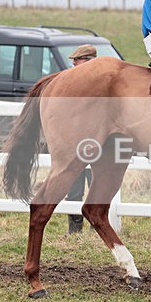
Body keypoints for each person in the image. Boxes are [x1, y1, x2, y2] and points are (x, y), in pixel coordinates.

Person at [65, 44, 96, 234]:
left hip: (94, 143)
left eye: (78, 59)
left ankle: (96, 227)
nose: (74, 63)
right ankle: (74, 229)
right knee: (74, 189)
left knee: (96, 187)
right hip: (76, 142)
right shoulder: (71, 82)